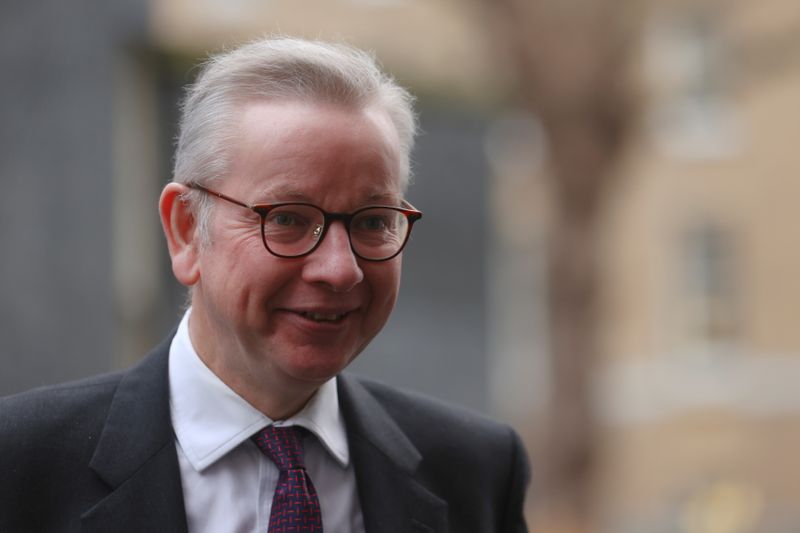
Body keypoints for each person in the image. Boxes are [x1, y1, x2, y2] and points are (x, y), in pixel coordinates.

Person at [0, 37, 529, 532]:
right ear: (186, 230)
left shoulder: (475, 473)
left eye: (372, 221)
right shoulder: (21, 465)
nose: (340, 269)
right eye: (288, 219)